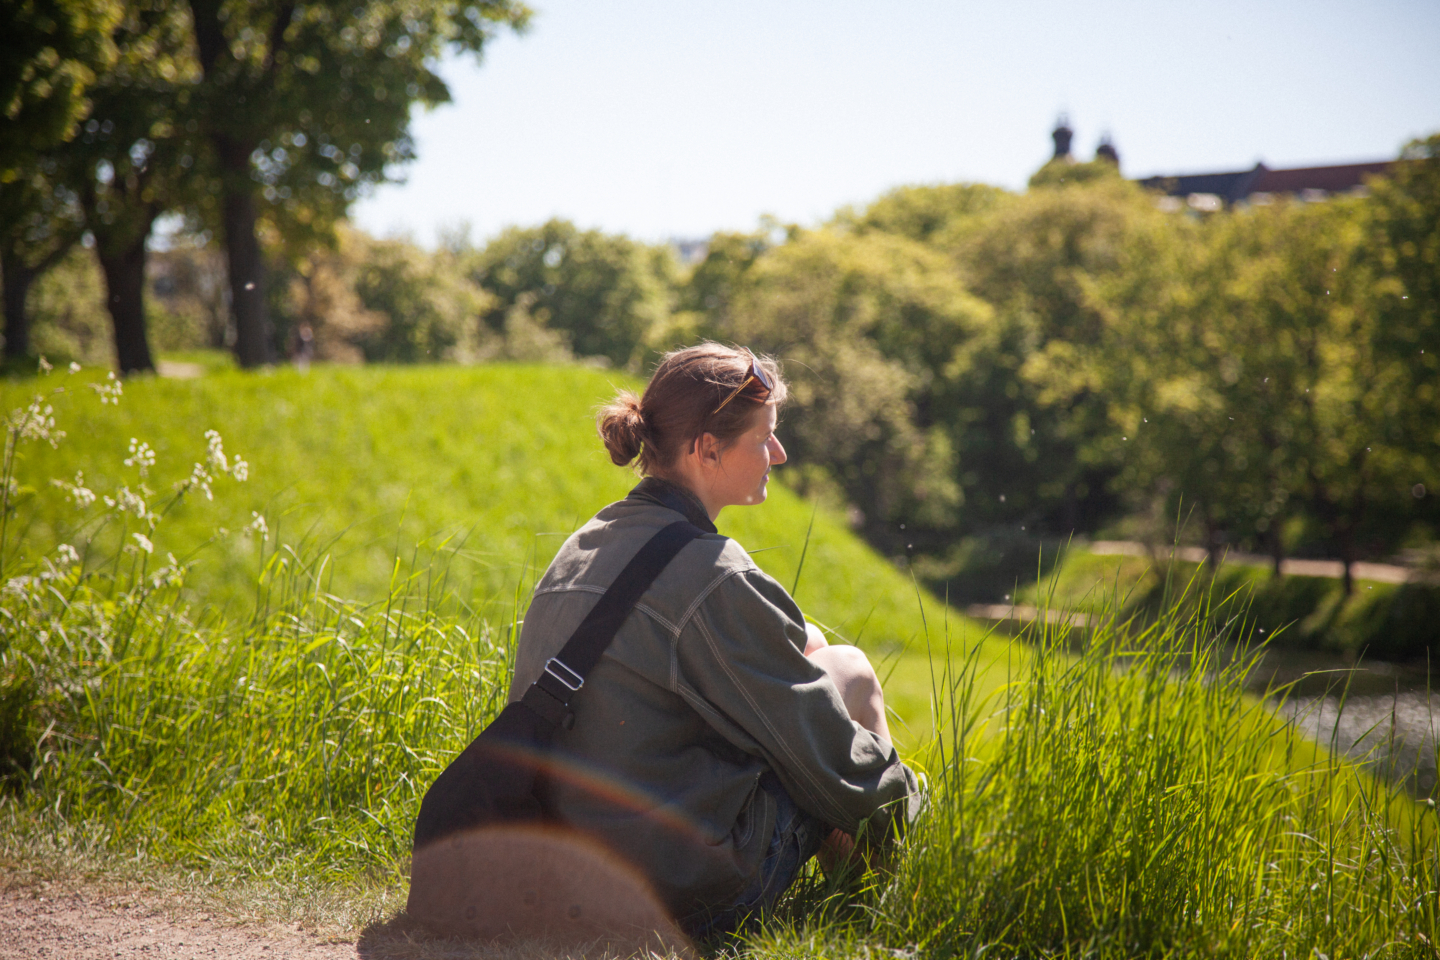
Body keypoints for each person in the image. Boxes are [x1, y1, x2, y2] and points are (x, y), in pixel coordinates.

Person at [507, 342, 919, 939]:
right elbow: (824, 754)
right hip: (676, 889)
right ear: (706, 449)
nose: (779, 453)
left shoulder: (588, 541)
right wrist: (909, 803)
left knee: (811, 643)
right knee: (849, 670)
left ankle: (855, 901)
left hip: (565, 868)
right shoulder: (712, 574)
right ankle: (877, 915)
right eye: (765, 437)